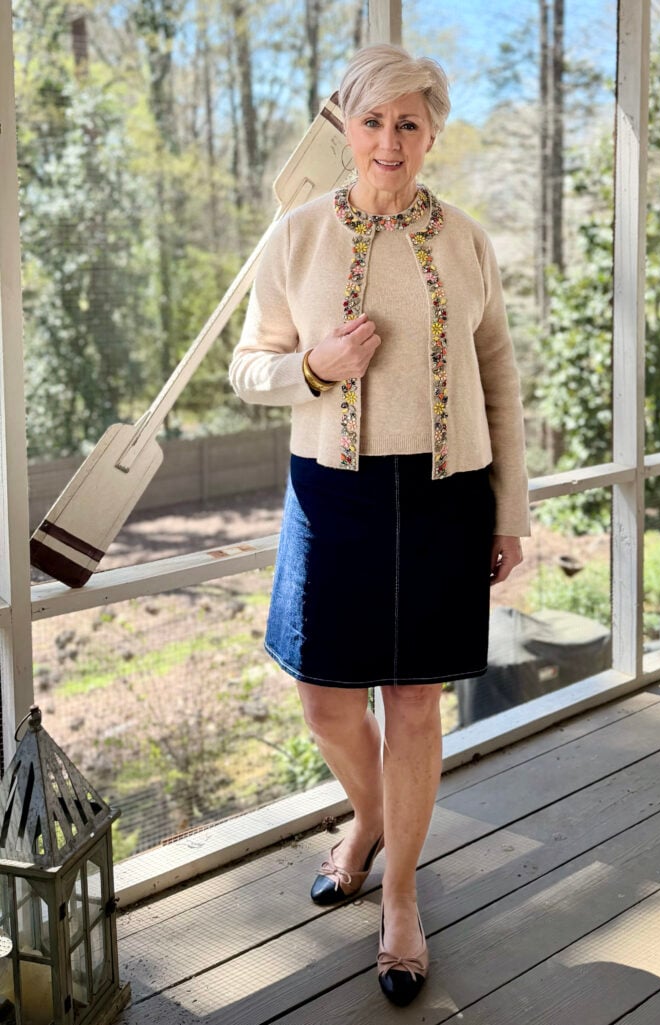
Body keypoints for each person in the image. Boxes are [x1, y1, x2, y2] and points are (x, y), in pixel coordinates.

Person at [229, 43, 529, 1007]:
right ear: (345, 129)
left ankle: (400, 897)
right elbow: (247, 368)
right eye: (372, 121)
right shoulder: (297, 236)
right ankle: (370, 823)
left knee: (411, 704)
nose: (389, 141)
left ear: (432, 130)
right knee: (325, 701)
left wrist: (510, 509)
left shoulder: (467, 240)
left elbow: (499, 383)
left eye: (409, 122)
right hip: (335, 493)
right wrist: (312, 368)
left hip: (446, 495)